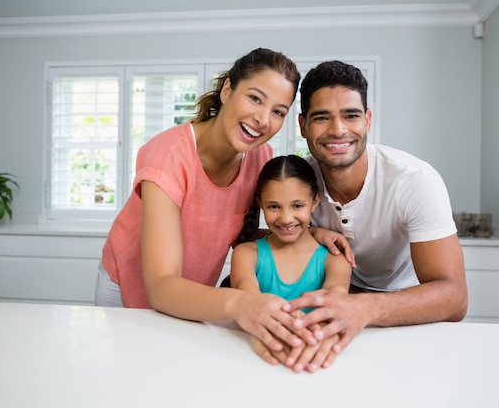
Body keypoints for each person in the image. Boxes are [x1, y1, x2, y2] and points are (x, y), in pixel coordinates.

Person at [96, 48, 346, 355]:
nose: (263, 119)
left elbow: (243, 237)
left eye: (278, 111)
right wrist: (243, 303)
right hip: (129, 290)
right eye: (255, 98)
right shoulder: (168, 155)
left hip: (193, 294)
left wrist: (312, 234)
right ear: (227, 89)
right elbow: (161, 286)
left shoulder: (260, 158)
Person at [250, 60, 468, 371]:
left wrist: (361, 307)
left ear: (367, 120)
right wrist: (313, 233)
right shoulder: (297, 181)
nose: (338, 130)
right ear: (302, 126)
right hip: (324, 311)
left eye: (350, 115)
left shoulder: (414, 180)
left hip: (404, 314)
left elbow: (455, 298)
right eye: (322, 117)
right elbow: (253, 238)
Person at [230, 154, 351, 304]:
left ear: (315, 202)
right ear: (260, 203)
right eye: (274, 206)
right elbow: (247, 293)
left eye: (297, 206)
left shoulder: (335, 258)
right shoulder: (246, 254)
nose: (286, 219)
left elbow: (335, 296)